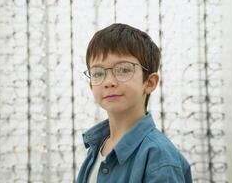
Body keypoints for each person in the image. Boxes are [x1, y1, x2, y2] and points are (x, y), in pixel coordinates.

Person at [76, 23, 192, 183]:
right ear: (91, 86)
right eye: (98, 73)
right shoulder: (96, 147)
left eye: (123, 70)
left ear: (150, 82)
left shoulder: (159, 157)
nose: (109, 82)